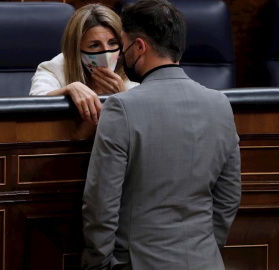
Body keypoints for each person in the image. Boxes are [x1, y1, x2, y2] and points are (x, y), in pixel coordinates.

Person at [81, 0, 242, 269]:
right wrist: (207, 247)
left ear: (139, 47)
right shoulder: (220, 104)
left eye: (123, 45)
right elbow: (229, 195)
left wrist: (98, 264)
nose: (121, 55)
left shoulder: (122, 107)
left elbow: (101, 205)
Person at [29, 4, 139, 125]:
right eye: (94, 45)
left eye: (112, 43)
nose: (106, 52)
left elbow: (145, 120)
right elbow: (36, 101)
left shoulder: (132, 68)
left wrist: (124, 97)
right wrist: (68, 89)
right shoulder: (54, 68)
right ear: (77, 48)